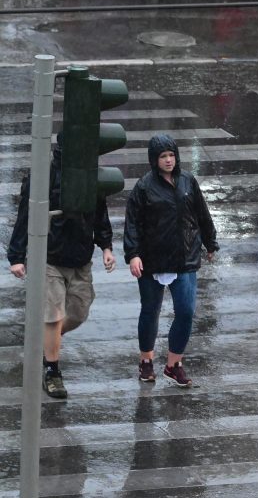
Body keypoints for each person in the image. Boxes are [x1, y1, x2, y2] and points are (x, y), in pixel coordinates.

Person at [7, 139, 115, 399]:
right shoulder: (44, 176)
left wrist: (106, 247)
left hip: (80, 259)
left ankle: (47, 340)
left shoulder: (91, 177)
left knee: (78, 313)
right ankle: (52, 370)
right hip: (50, 258)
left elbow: (99, 213)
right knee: (53, 315)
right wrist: (17, 256)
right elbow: (26, 215)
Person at [123, 134, 218, 387]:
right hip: (151, 260)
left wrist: (211, 242)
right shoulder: (143, 187)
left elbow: (202, 213)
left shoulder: (188, 180)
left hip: (185, 258)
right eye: (163, 156)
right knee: (150, 311)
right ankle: (146, 361)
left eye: (171, 155)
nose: (168, 160)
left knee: (186, 311)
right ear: (154, 160)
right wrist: (133, 255)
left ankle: (174, 364)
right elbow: (132, 224)